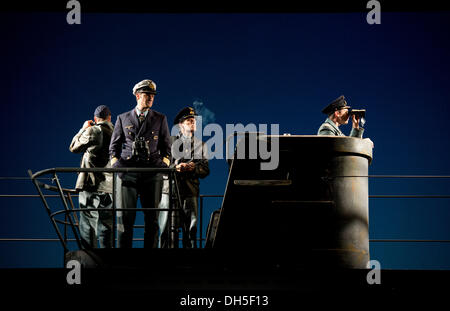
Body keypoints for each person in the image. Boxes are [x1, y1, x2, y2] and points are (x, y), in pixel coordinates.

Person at [109, 79, 171, 248]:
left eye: (152, 95)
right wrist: (117, 167)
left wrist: (162, 166)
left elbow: (167, 147)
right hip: (128, 173)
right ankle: (123, 258)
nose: (150, 98)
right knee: (125, 218)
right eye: (146, 95)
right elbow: (113, 147)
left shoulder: (160, 118)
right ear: (137, 96)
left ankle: (149, 259)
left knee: (152, 219)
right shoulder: (123, 118)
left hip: (152, 173)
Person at [161, 106, 209, 248]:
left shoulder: (201, 145)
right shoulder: (168, 142)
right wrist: (175, 167)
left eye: (193, 120)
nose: (192, 123)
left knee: (191, 229)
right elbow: (160, 166)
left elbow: (205, 170)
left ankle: (192, 260)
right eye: (189, 121)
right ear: (181, 125)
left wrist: (194, 168)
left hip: (190, 191)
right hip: (169, 191)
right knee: (166, 229)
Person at [69, 105, 114, 249]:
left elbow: (73, 147)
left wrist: (83, 129)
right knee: (107, 224)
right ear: (109, 117)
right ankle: (108, 258)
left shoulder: (92, 130)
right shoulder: (116, 132)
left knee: (88, 221)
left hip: (91, 184)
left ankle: (90, 257)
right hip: (110, 186)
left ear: (95, 119)